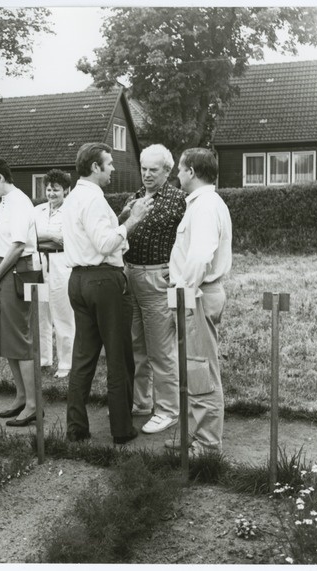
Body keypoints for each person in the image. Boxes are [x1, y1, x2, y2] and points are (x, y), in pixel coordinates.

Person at [61, 142, 154, 444]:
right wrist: (133, 219)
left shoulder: (74, 197)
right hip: (104, 281)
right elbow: (103, 244)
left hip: (77, 281)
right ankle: (121, 429)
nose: (114, 168)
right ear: (95, 167)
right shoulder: (95, 200)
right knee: (118, 356)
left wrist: (120, 216)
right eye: (109, 163)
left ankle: (76, 427)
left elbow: (91, 235)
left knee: (83, 356)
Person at [164, 147, 232, 455]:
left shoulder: (204, 206)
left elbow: (201, 255)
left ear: (191, 171)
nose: (177, 175)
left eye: (180, 169)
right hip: (195, 292)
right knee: (192, 367)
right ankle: (194, 434)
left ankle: (207, 446)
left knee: (200, 370)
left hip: (196, 294)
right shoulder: (203, 203)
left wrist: (181, 292)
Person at [119, 144, 187, 435]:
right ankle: (142, 401)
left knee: (160, 349)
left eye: (153, 170)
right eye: (143, 168)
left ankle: (168, 410)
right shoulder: (133, 198)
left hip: (158, 278)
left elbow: (190, 239)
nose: (146, 174)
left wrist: (178, 269)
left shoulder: (178, 200)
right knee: (136, 346)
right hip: (130, 275)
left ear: (168, 171)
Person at [0, 156, 39, 427]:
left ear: (1, 178)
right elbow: (1, 243)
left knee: (19, 339)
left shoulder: (19, 202)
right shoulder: (4, 202)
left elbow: (16, 246)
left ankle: (34, 404)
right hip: (1, 272)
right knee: (6, 339)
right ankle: (21, 397)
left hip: (14, 274)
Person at [34, 169, 75, 379]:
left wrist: (45, 238)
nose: (51, 193)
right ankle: (44, 359)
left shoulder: (71, 211)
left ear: (66, 190)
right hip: (39, 261)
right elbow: (30, 236)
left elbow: (67, 239)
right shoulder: (38, 210)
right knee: (41, 313)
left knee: (63, 313)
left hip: (61, 262)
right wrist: (50, 235)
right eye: (49, 189)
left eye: (56, 190)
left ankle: (66, 363)